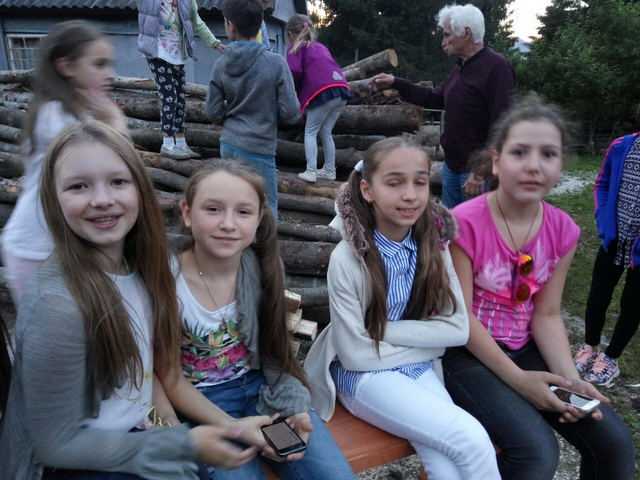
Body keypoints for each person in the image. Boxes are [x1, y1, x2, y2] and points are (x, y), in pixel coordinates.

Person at [0, 121, 273, 480]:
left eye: (118, 181)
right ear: (53, 198)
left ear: (140, 189)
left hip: (139, 431)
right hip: (74, 464)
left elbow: (142, 375)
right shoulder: (57, 306)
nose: (102, 199)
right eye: (78, 186)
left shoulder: (142, 265)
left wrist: (171, 426)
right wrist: (181, 443)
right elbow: (56, 444)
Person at [442, 94, 636, 480]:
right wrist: (520, 382)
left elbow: (546, 314)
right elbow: (460, 318)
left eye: (548, 154)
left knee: (615, 445)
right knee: (536, 454)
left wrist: (569, 380)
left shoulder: (564, 229)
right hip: (463, 352)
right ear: (496, 161)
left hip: (525, 347)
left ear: (560, 165)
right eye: (519, 152)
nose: (534, 165)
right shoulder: (462, 223)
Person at [304, 137, 500, 479]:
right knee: (472, 439)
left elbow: (457, 330)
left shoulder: (434, 247)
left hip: (414, 366)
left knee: (445, 466)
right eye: (394, 183)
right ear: (367, 190)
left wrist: (380, 332)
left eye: (420, 182)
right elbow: (355, 356)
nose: (410, 195)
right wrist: (430, 342)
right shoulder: (348, 259)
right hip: (362, 377)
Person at [159, 159, 355, 480]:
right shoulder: (166, 279)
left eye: (243, 212)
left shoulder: (261, 267)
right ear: (187, 213)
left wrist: (296, 409)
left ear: (259, 219)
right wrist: (234, 427)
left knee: (329, 473)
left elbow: (276, 355)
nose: (228, 224)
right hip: (202, 406)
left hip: (263, 395)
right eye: (213, 209)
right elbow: (167, 376)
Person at [1, 20, 129, 306]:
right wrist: (117, 123)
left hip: (60, 245)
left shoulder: (79, 115)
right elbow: (112, 162)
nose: (110, 74)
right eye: (99, 64)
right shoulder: (55, 117)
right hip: (35, 249)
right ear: (66, 66)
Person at [369, 4, 515, 209]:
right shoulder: (460, 68)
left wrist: (482, 170)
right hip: (452, 168)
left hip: (476, 174)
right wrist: (396, 82)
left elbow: (503, 125)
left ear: (466, 34)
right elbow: (433, 97)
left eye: (447, 35)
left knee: (474, 228)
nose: (443, 42)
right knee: (451, 225)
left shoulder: (497, 68)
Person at [205, 0, 300, 217]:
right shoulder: (276, 63)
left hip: (229, 144)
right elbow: (292, 113)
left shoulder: (221, 64)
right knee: (265, 208)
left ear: (230, 25)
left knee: (232, 204)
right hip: (259, 147)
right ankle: (264, 242)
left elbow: (213, 112)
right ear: (260, 24)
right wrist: (270, 111)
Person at [573, 105, 640, 386]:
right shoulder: (622, 146)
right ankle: (589, 348)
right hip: (614, 240)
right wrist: (603, 220)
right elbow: (602, 184)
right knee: (598, 296)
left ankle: (610, 359)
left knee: (632, 305)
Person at [138, 0, 225, 161]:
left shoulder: (187, 1)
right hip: (157, 54)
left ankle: (180, 142)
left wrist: (215, 43)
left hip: (178, 55)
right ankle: (167, 143)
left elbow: (197, 23)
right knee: (169, 98)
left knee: (180, 100)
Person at [285, 14, 353, 183]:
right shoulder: (320, 46)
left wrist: (294, 90)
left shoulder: (295, 47)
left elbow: (294, 70)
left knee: (310, 131)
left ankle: (311, 171)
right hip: (341, 89)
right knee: (326, 131)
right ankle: (330, 169)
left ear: (290, 33)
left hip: (323, 91)